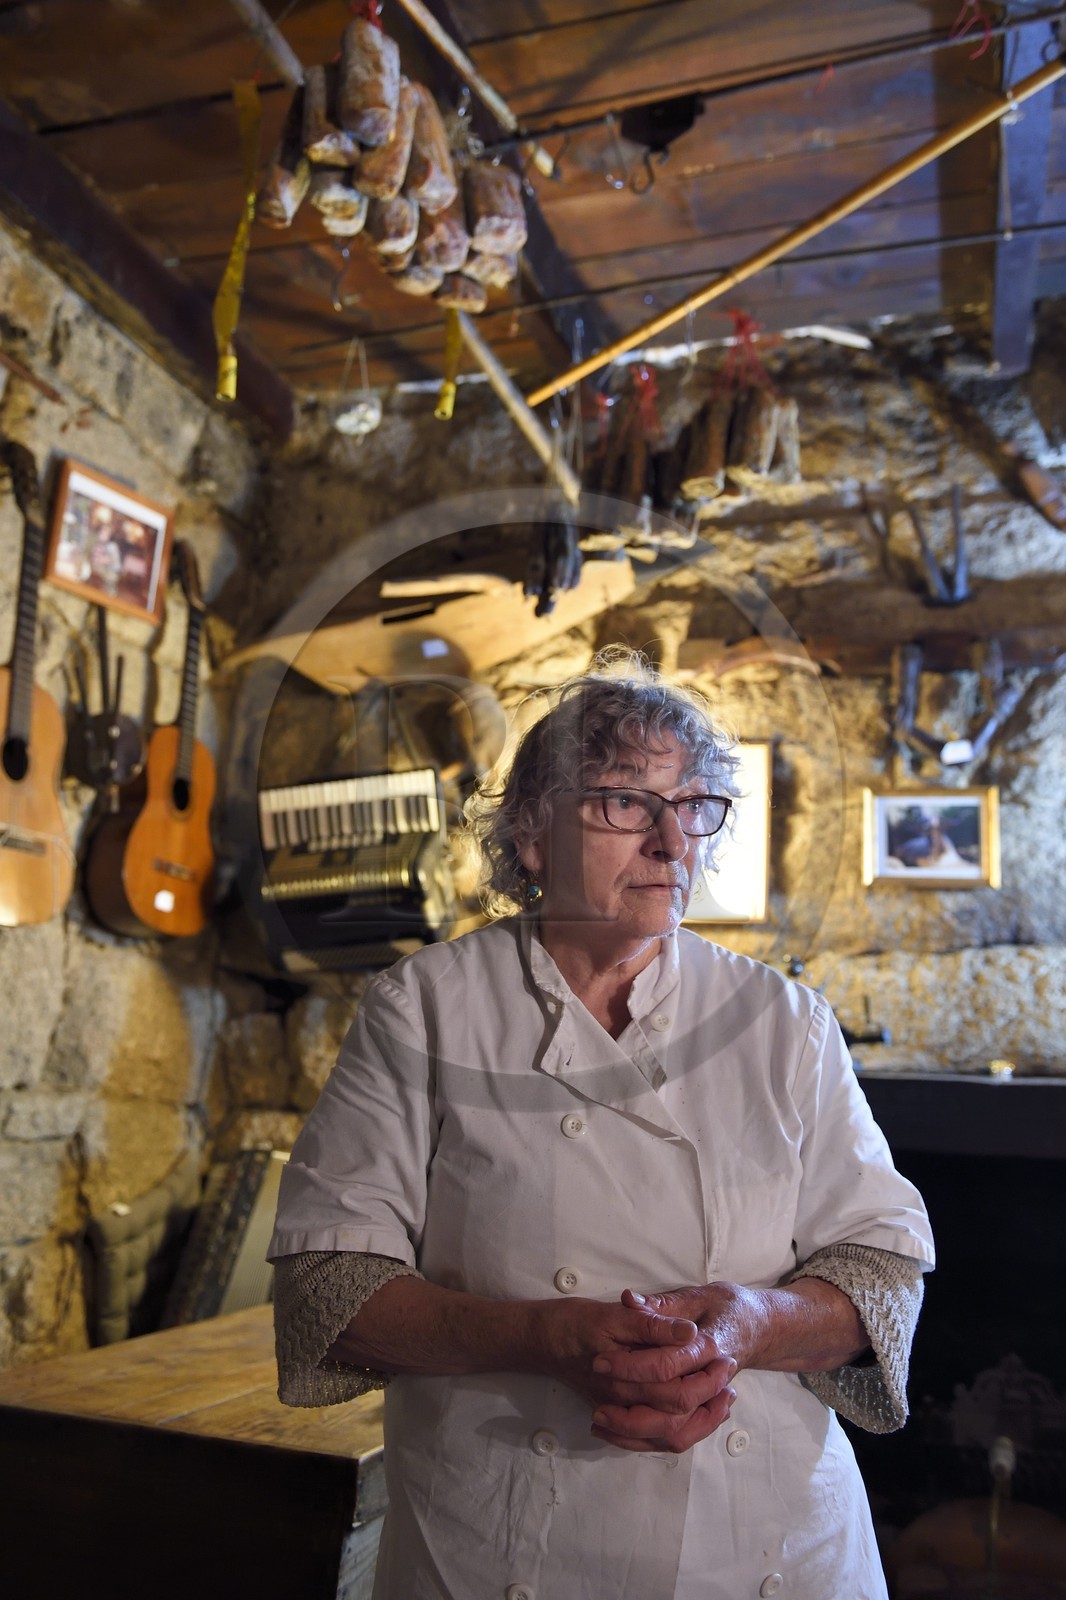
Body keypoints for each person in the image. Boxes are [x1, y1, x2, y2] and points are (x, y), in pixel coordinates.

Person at [268, 657, 935, 1600]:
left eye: (696, 805)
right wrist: (547, 1339)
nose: (673, 841)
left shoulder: (785, 1021)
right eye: (627, 803)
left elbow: (879, 1272)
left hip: (770, 1546)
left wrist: (748, 1325)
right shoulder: (425, 1011)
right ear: (532, 835)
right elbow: (327, 1290)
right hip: (506, 1539)